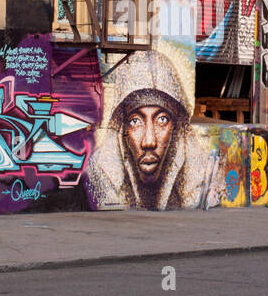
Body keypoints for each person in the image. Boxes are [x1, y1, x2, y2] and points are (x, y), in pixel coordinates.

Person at [86, 50, 213, 210]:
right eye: (135, 121)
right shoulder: (99, 172)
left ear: (177, 129)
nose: (149, 142)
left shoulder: (203, 175)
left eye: (162, 119)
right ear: (121, 128)